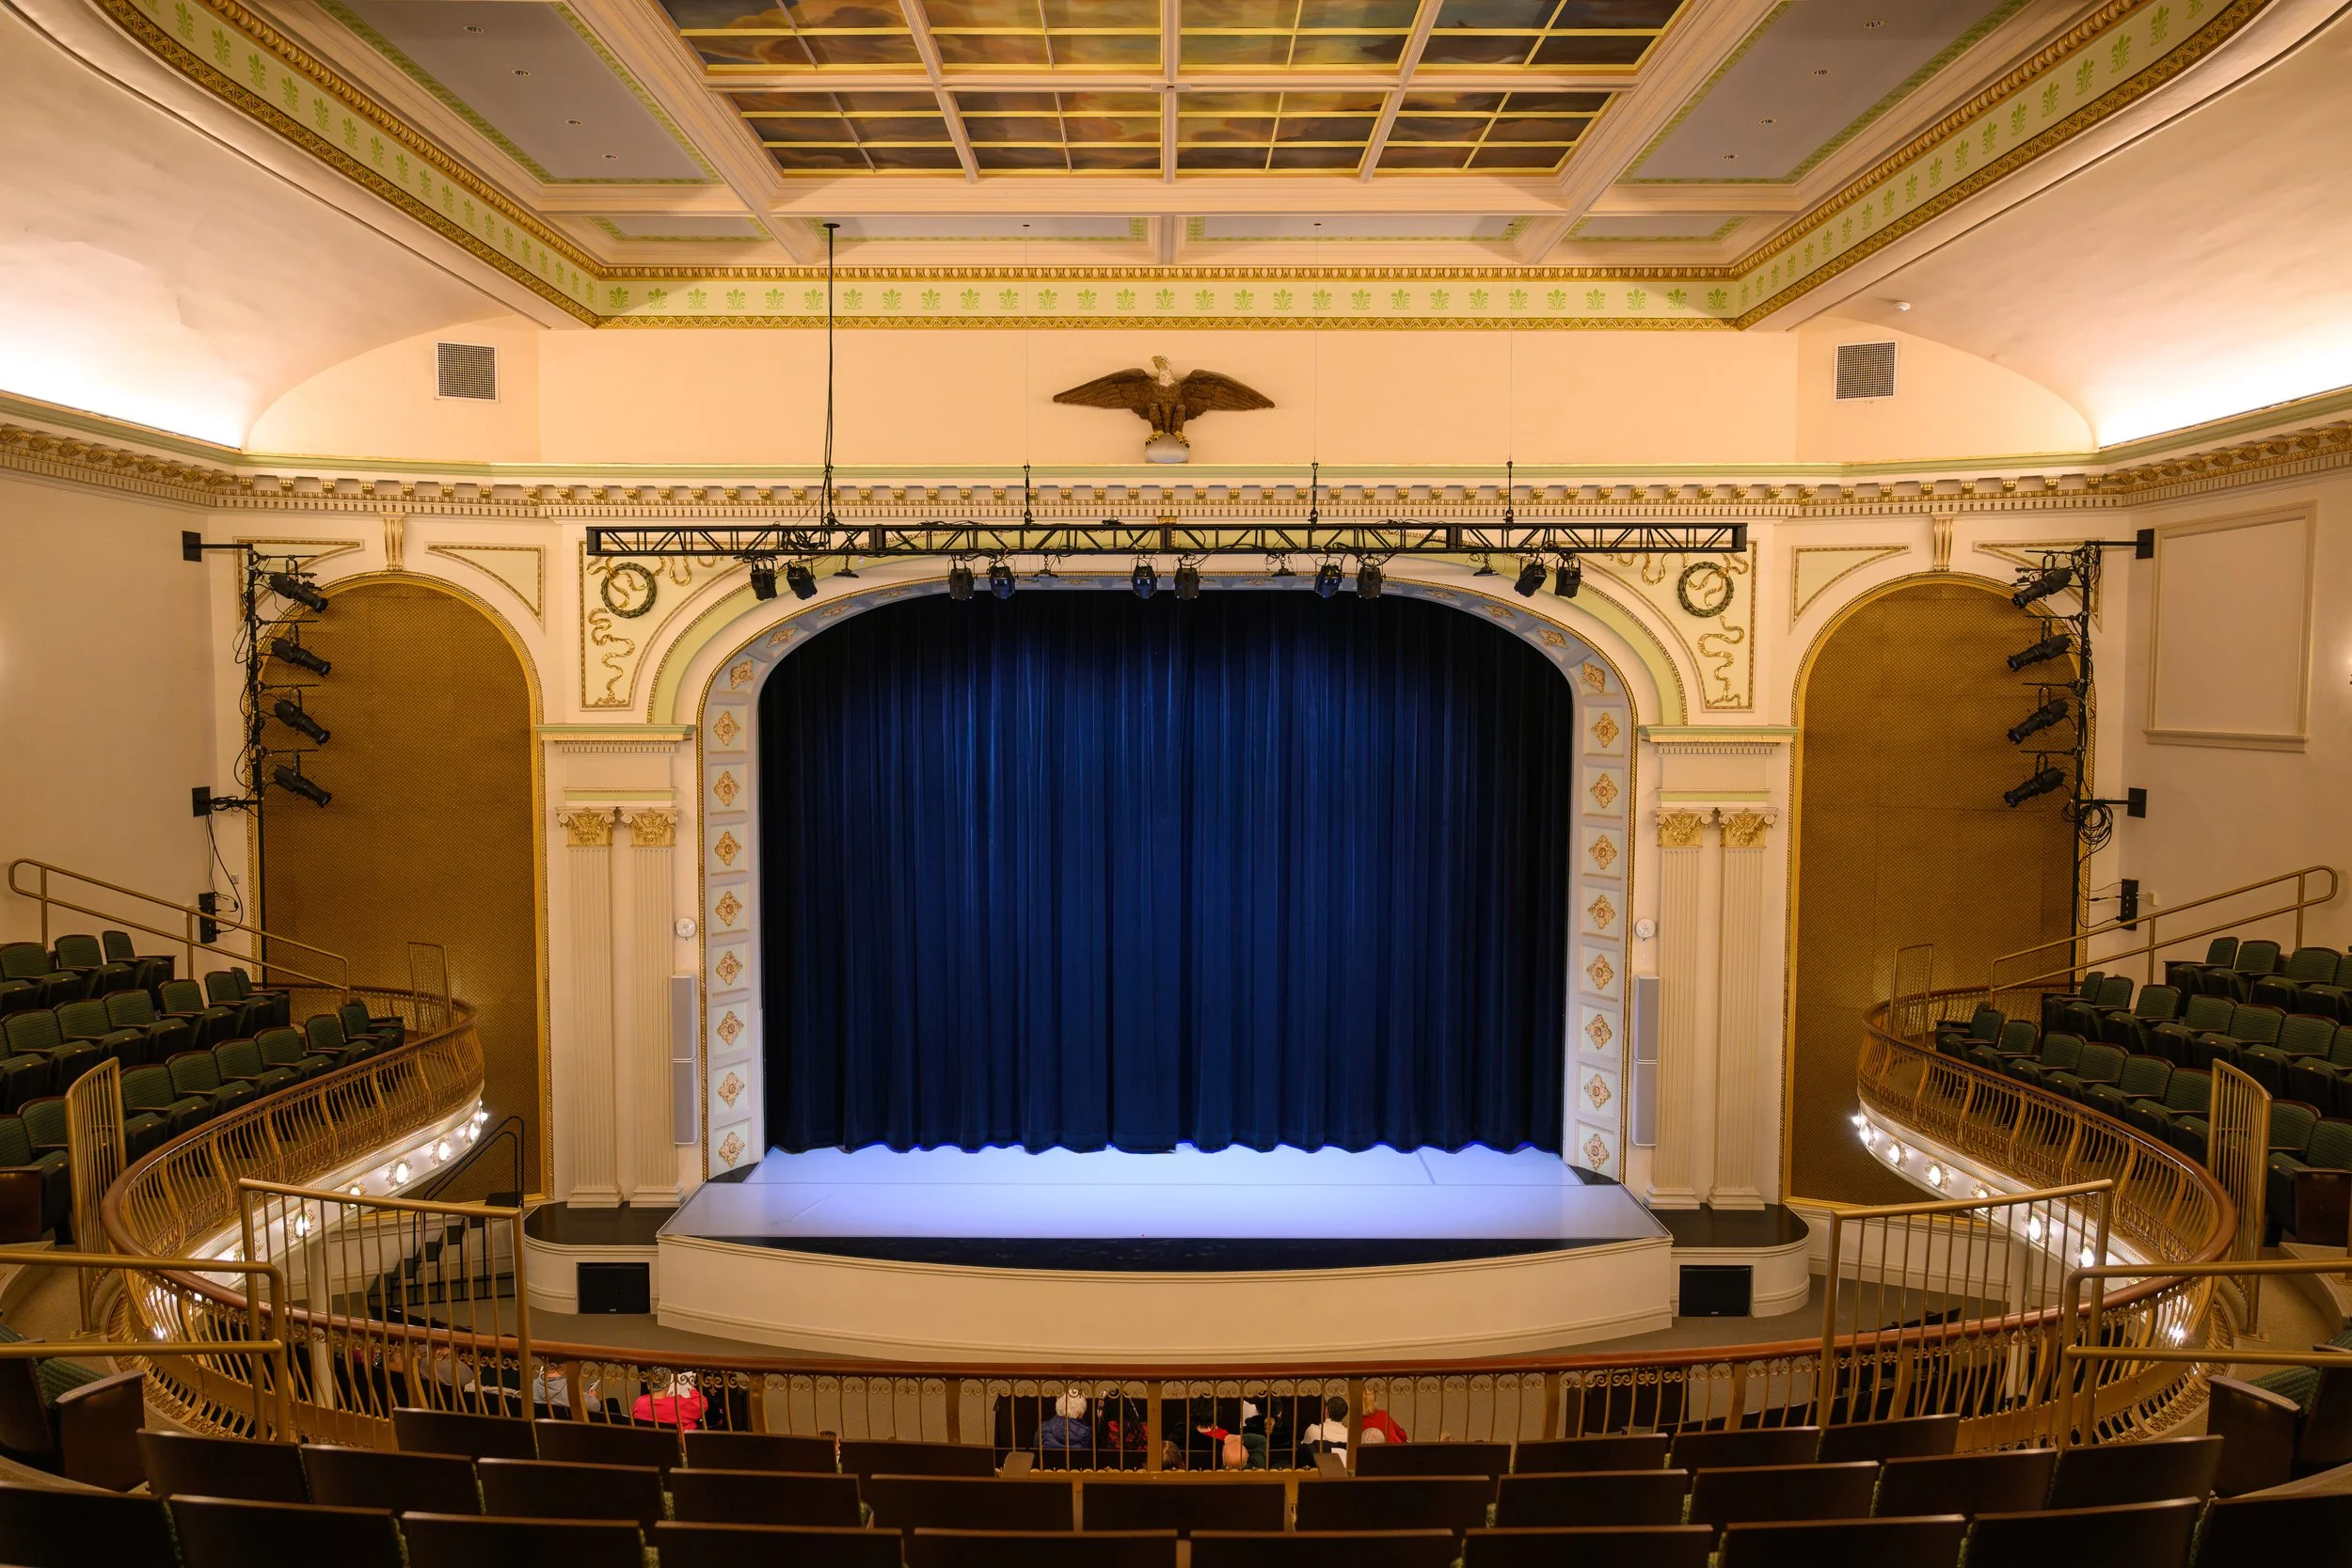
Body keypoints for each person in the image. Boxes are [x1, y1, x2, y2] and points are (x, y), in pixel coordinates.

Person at [631, 1370, 707, 1431]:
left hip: (648, 1445)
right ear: (668, 1384)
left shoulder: (639, 1402)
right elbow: (702, 1404)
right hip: (680, 1445)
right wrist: (693, 1390)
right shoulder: (678, 1404)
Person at [1036, 1391, 1092, 1459]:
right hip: (1077, 1469)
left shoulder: (1043, 1428)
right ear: (1081, 1412)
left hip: (1047, 1468)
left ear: (1058, 1406)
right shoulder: (1089, 1434)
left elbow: (1036, 1455)